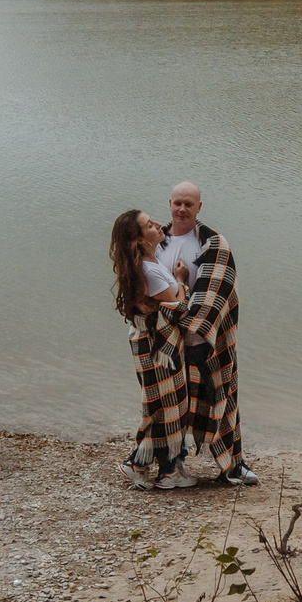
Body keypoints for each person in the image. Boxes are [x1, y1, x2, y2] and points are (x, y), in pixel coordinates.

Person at [166, 182, 257, 486]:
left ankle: (233, 464)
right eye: (177, 203)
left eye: (188, 204)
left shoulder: (213, 244)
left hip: (208, 339)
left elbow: (219, 290)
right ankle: (171, 464)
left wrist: (198, 332)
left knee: (223, 395)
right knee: (169, 403)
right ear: (169, 204)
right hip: (167, 337)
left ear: (199, 207)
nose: (182, 209)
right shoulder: (157, 242)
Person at [109, 208, 196, 490]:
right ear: (138, 239)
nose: (158, 224)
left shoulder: (148, 264)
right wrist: (181, 280)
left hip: (155, 344)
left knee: (164, 406)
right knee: (168, 406)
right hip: (159, 348)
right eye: (149, 225)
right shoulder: (150, 271)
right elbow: (178, 308)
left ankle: (161, 467)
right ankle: (148, 465)